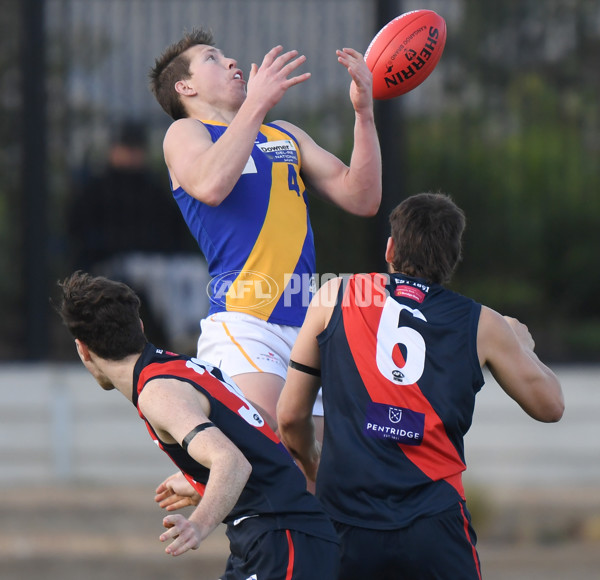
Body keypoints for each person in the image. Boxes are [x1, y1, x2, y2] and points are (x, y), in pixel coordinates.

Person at [276, 192, 565, 579]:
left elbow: (291, 416)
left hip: (344, 521)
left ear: (390, 248)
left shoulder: (335, 295)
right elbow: (552, 406)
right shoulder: (484, 324)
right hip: (435, 524)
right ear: (452, 259)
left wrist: (315, 467)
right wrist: (521, 344)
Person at [149, 28, 382, 429]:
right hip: (245, 319)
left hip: (306, 327)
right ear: (185, 86)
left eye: (226, 55)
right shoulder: (186, 133)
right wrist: (255, 104)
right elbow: (209, 185)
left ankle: (205, 477)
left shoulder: (284, 134)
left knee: (316, 468)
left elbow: (362, 197)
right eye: (212, 59)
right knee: (274, 444)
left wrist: (364, 115)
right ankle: (209, 474)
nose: (231, 62)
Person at [55, 271, 340, 579]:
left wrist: (197, 525)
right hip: (275, 538)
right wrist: (204, 480)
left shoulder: (156, 393)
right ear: (139, 327)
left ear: (82, 349)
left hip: (281, 541)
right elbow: (263, 424)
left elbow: (231, 462)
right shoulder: (180, 367)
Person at [66, 119, 206, 351]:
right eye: (126, 149)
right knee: (159, 277)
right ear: (114, 150)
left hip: (157, 259)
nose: (131, 155)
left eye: (135, 149)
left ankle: (195, 331)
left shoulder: (152, 188)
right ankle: (179, 334)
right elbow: (81, 233)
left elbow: (175, 232)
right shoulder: (96, 189)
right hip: (116, 260)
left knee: (196, 271)